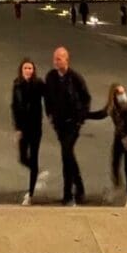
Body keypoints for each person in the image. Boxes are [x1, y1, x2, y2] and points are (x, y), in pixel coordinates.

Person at [44, 46, 91, 205]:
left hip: (73, 124)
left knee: (66, 154)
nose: (56, 61)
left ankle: (68, 194)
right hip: (59, 124)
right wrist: (49, 114)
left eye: (59, 58)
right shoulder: (50, 77)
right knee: (69, 154)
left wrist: (80, 120)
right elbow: (47, 98)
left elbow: (86, 98)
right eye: (55, 58)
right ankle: (80, 187)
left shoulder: (75, 78)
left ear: (66, 60)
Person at [87, 83, 127, 207]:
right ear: (114, 95)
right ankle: (117, 185)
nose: (122, 95)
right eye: (119, 93)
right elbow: (101, 114)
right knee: (115, 164)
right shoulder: (112, 108)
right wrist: (86, 115)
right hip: (118, 139)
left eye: (123, 92)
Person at [11, 58, 47, 205]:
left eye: (30, 68)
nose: (28, 71)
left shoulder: (38, 84)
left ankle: (30, 194)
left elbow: (48, 96)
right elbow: (14, 106)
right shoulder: (17, 84)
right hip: (23, 128)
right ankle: (37, 171)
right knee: (22, 158)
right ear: (21, 70)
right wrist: (17, 128)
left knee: (33, 158)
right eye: (26, 68)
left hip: (35, 128)